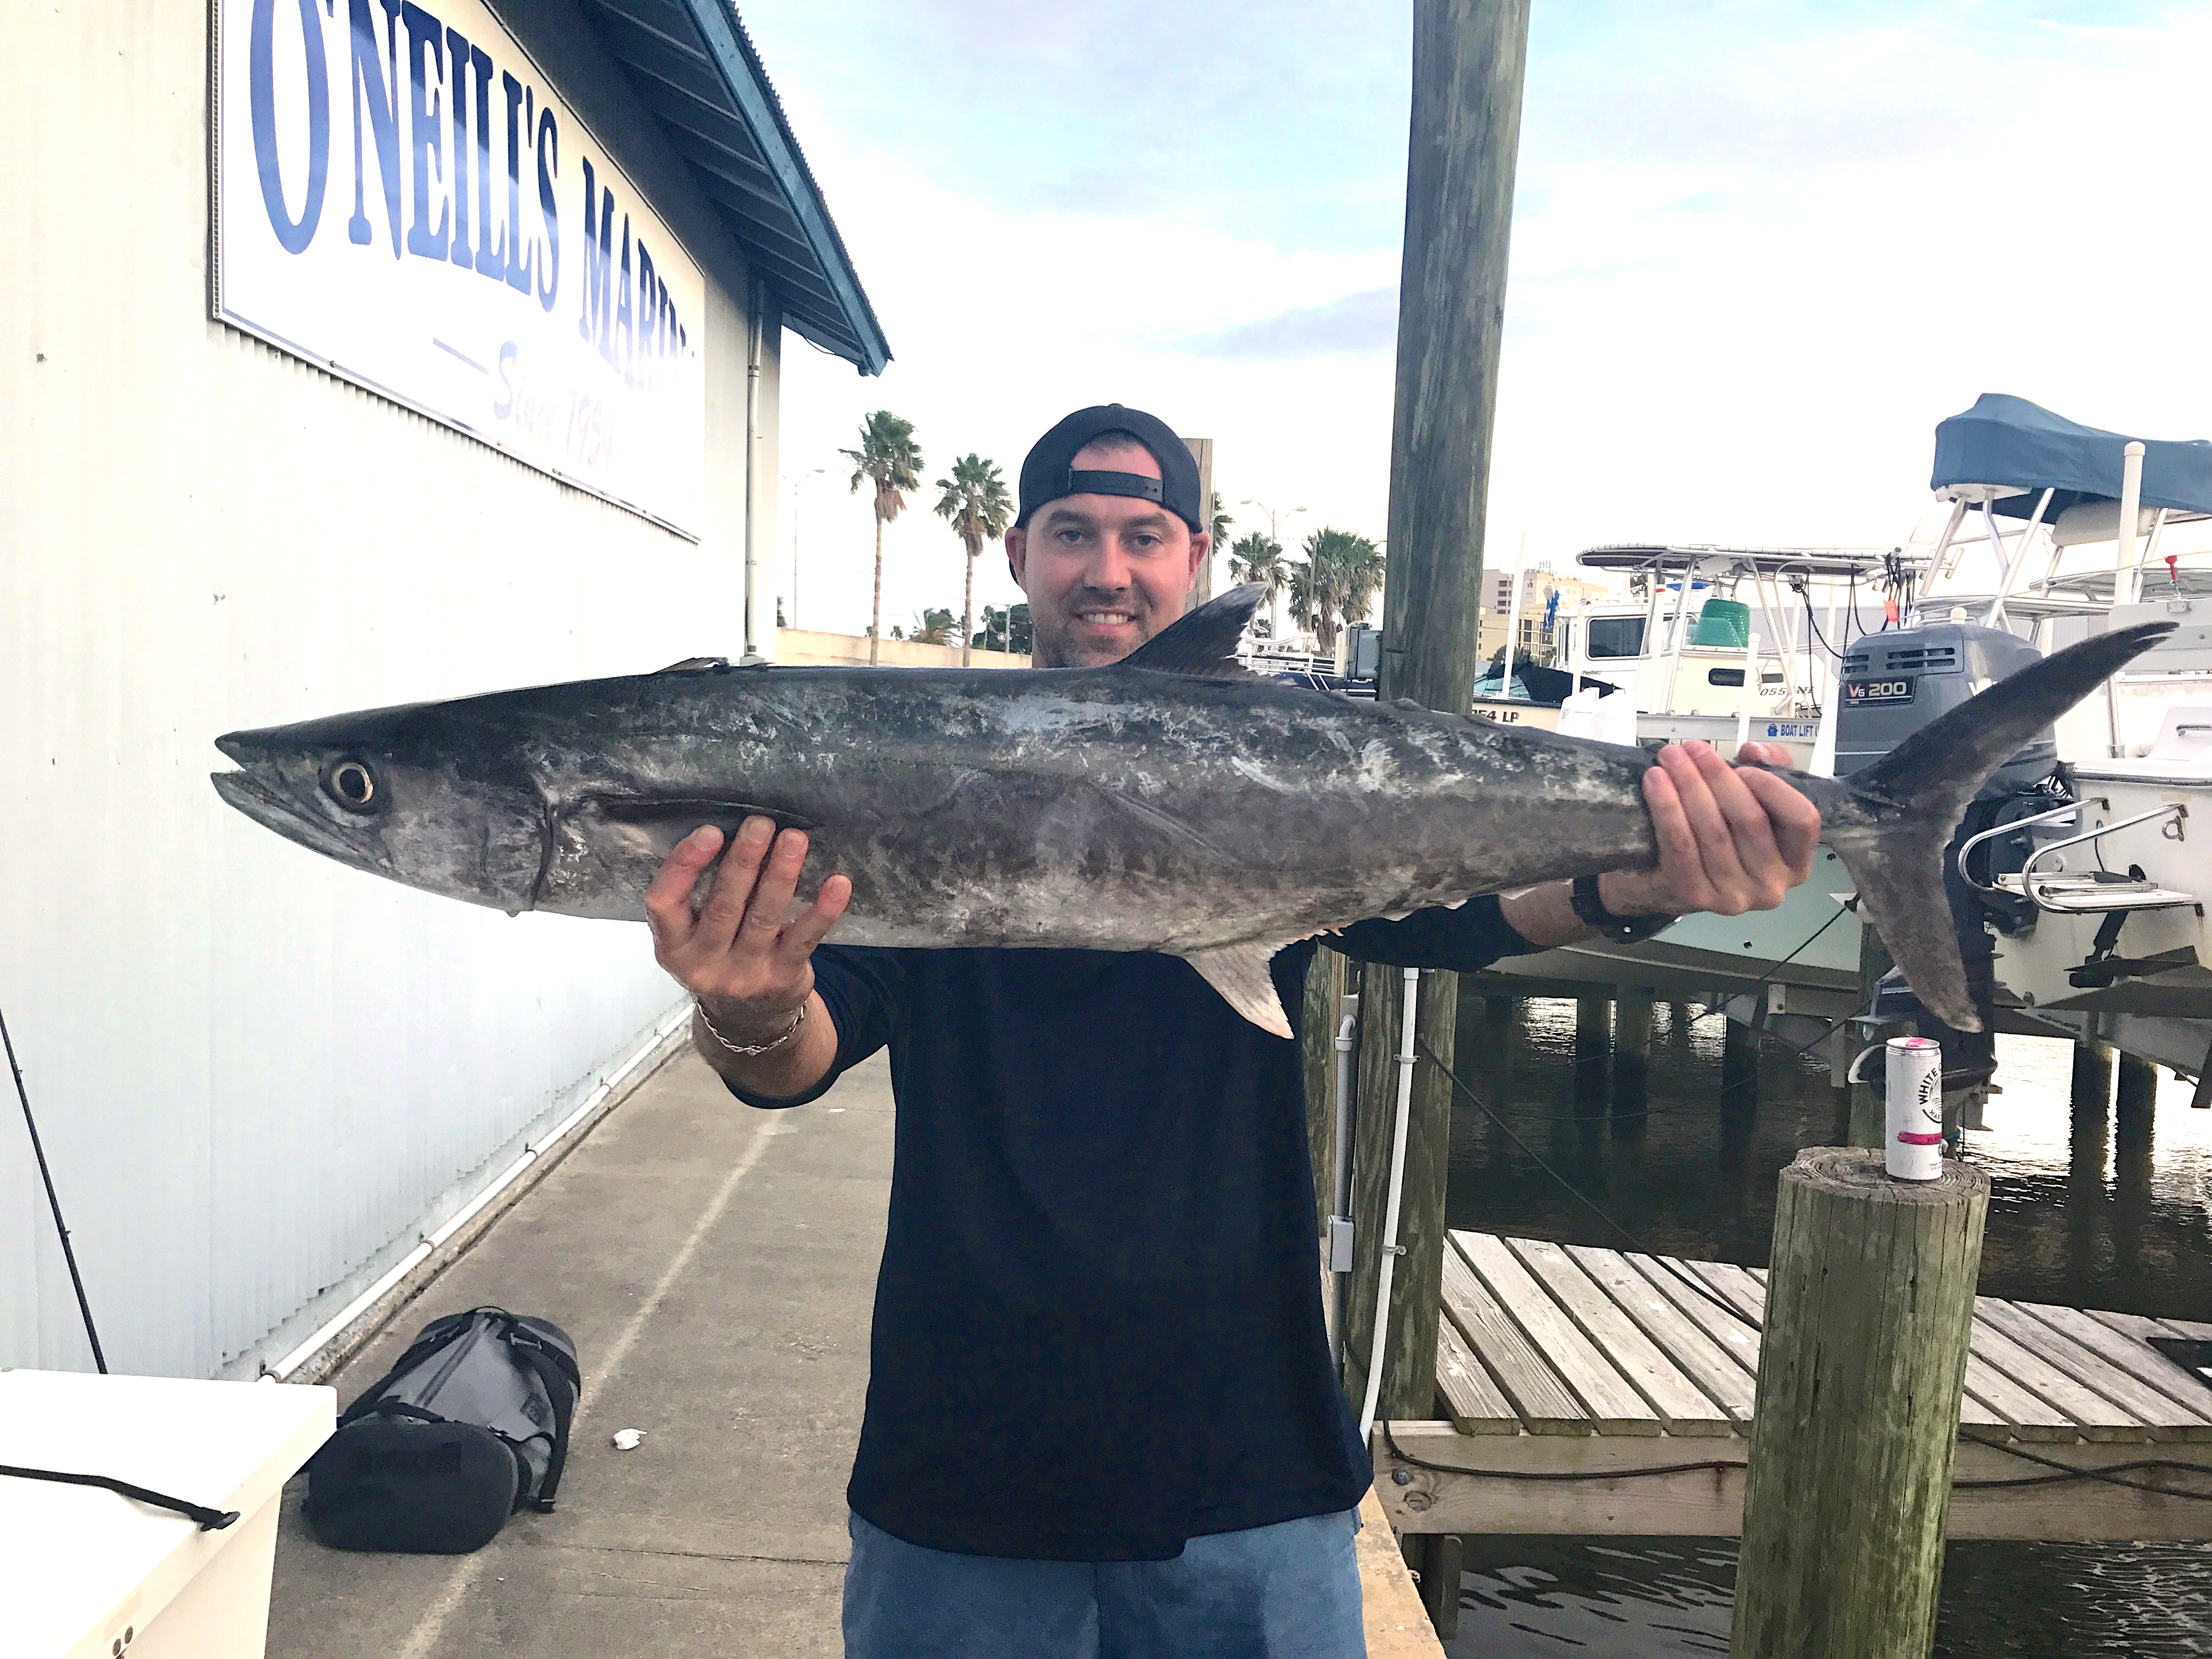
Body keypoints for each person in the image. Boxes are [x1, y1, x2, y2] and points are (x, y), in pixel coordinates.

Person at [644, 404, 1821, 1658]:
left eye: (1143, 537)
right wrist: (747, 1003)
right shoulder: (914, 781)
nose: (1108, 570)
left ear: (1192, 561)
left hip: (1253, 1459)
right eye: (1073, 534)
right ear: (1018, 557)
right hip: (968, 1465)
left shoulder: (1280, 774)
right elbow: (800, 1058)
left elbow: (1468, 913)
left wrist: (1640, 880)